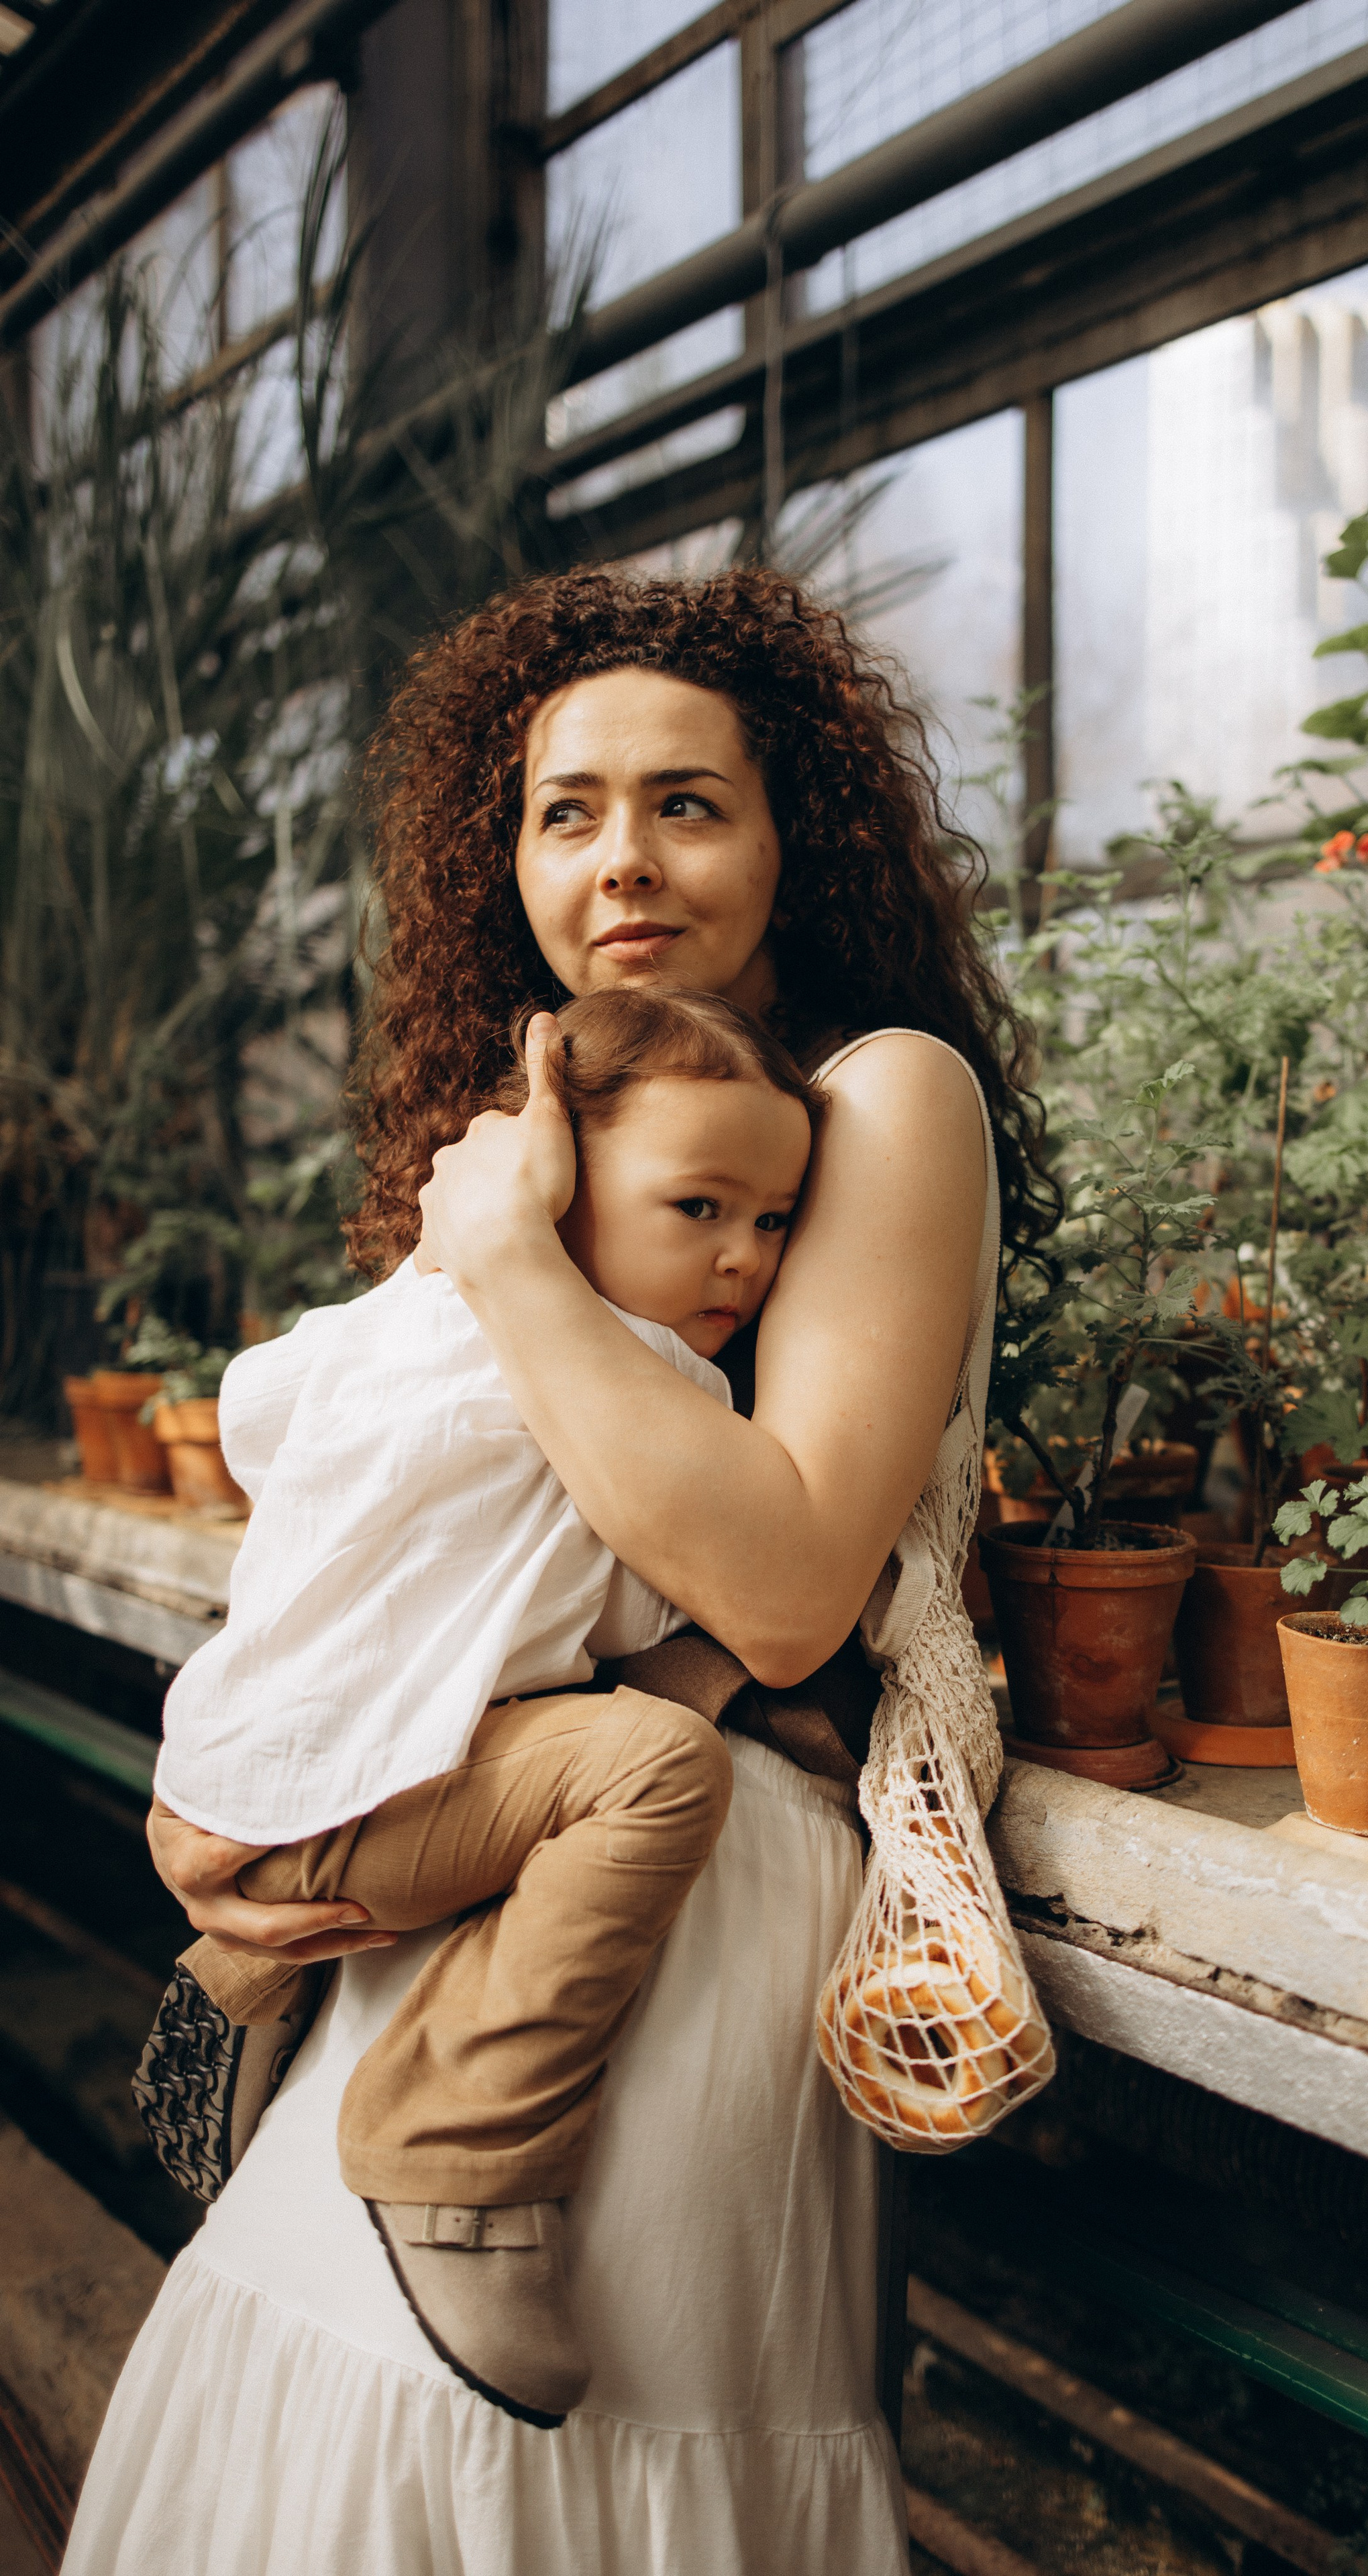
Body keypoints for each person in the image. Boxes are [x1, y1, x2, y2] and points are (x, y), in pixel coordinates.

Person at [64, 567, 1057, 2576]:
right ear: (501, 854)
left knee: (568, 2455)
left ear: (799, 836)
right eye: (565, 809)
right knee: (337, 2416)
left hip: (693, 1899)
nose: (624, 859)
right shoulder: (569, 1124)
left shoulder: (878, 1102)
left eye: (689, 803)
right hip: (503, 1851)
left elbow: (785, 1593)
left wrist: (510, 1255)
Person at [148, 986, 822, 2426]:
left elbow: (261, 1418)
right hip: (344, 1810)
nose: (744, 1257)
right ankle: (455, 2154)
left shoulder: (396, 1327)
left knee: (567, 1715)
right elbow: (660, 1608)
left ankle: (245, 1981)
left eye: (772, 1220)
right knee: (648, 1762)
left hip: (259, 1776)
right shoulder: (621, 1372)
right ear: (551, 1189)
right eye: (697, 1206)